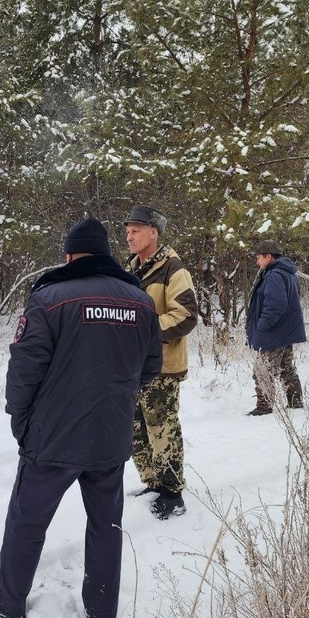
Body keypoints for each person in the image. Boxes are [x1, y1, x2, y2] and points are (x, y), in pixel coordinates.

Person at [0, 217, 162, 618]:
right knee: (106, 526)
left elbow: (24, 369)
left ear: (70, 254)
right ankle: (101, 614)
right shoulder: (140, 300)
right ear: (107, 254)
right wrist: (116, 400)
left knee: (27, 521)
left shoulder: (49, 298)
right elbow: (150, 367)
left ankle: (6, 602)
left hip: (53, 435)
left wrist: (20, 419)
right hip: (111, 435)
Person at [123, 205, 198, 520]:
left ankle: (172, 491)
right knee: (137, 429)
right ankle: (153, 480)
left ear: (153, 232)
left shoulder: (172, 268)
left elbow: (186, 315)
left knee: (161, 428)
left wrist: (145, 330)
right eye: (127, 232)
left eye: (135, 231)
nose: (129, 237)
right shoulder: (131, 269)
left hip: (163, 367)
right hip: (135, 366)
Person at [245, 240, 306, 416]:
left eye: (259, 258)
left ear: (268, 256)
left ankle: (264, 407)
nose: (257, 262)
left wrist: (262, 326)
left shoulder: (274, 275)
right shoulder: (287, 273)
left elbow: (276, 305)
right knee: (286, 367)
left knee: (262, 370)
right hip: (285, 330)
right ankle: (295, 402)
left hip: (274, 332)